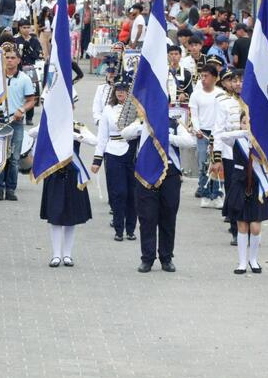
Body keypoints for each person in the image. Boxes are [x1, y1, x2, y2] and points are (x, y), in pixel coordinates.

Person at [122, 113, 196, 273]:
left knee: (168, 216)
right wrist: (143, 126)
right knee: (147, 218)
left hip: (169, 173)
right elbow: (125, 133)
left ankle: (166, 257)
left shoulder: (174, 123)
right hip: (146, 172)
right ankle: (147, 258)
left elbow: (190, 142)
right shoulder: (142, 121)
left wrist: (166, 136)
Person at [32, 119, 95, 268]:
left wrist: (73, 134)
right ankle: (56, 255)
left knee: (71, 216)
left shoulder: (77, 125)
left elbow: (94, 141)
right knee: (55, 216)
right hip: (54, 175)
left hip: (73, 175)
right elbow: (32, 132)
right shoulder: (50, 121)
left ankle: (67, 254)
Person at [214, 114, 268, 275]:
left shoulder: (262, 142)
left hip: (257, 185)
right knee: (241, 226)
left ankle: (253, 259)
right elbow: (222, 136)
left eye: (249, 123)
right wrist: (244, 133)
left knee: (255, 227)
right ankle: (241, 262)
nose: (246, 125)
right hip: (239, 184)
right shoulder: (237, 139)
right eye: (243, 122)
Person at [91, 80, 137, 241]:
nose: (120, 93)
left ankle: (131, 229)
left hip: (131, 150)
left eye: (124, 90)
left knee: (132, 193)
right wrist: (97, 160)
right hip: (112, 151)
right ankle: (118, 228)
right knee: (119, 193)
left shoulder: (136, 109)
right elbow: (102, 136)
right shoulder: (108, 110)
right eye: (118, 90)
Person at [0, 47, 36, 201]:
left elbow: (31, 100)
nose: (10, 60)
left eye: (12, 57)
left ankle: (11, 188)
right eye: (7, 57)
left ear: (18, 60)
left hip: (15, 121)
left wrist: (22, 109)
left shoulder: (24, 78)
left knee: (15, 157)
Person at [211, 68, 244, 245]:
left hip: (250, 152)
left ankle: (247, 223)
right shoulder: (223, 102)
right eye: (234, 80)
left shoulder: (251, 99)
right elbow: (218, 130)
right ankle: (235, 228)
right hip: (231, 152)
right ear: (227, 83)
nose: (238, 83)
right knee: (233, 190)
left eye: (240, 80)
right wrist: (217, 158)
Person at [189, 64, 225, 207]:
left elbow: (222, 115)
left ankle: (217, 195)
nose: (203, 79)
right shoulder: (196, 94)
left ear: (215, 78)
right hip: (202, 133)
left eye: (206, 76)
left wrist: (218, 132)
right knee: (204, 164)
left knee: (217, 164)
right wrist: (197, 129)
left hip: (217, 133)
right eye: (201, 76)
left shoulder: (221, 94)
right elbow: (194, 115)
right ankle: (205, 194)